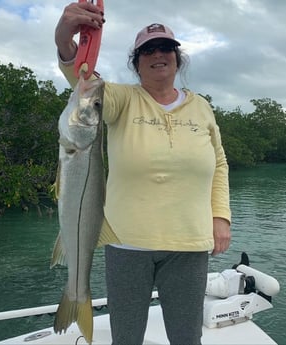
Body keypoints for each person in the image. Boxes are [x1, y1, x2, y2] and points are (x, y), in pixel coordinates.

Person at [55, 2, 231, 344]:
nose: (158, 54)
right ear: (136, 63)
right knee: (126, 337)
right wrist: (65, 39)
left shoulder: (202, 106)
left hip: (189, 243)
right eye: (147, 50)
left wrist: (221, 216)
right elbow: (82, 78)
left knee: (186, 337)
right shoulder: (120, 99)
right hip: (125, 243)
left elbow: (219, 162)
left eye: (166, 47)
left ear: (178, 58)